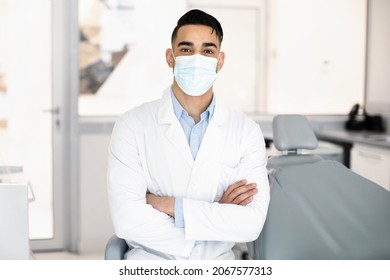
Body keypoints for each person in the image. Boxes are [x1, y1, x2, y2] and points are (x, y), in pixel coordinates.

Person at [107, 9, 270, 260]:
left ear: (220, 60)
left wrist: (170, 206)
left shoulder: (246, 132)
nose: (197, 59)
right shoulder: (132, 125)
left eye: (207, 51)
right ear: (170, 58)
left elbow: (251, 224)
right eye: (186, 50)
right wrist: (216, 219)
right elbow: (127, 219)